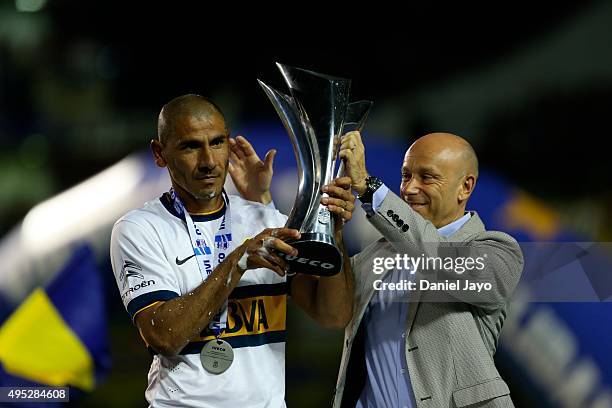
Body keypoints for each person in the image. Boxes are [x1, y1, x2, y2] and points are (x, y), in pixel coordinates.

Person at [109, 94, 355, 408]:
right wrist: (238, 261)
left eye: (217, 142)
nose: (208, 161)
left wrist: (332, 229)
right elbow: (164, 337)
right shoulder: (140, 229)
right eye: (190, 146)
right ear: (160, 154)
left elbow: (333, 315)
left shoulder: (264, 220)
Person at [331, 131, 524, 408]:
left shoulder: (497, 251)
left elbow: (436, 256)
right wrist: (331, 229)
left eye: (427, 177)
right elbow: (325, 307)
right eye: (406, 175)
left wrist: (371, 189)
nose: (409, 188)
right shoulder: (371, 258)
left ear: (465, 187)